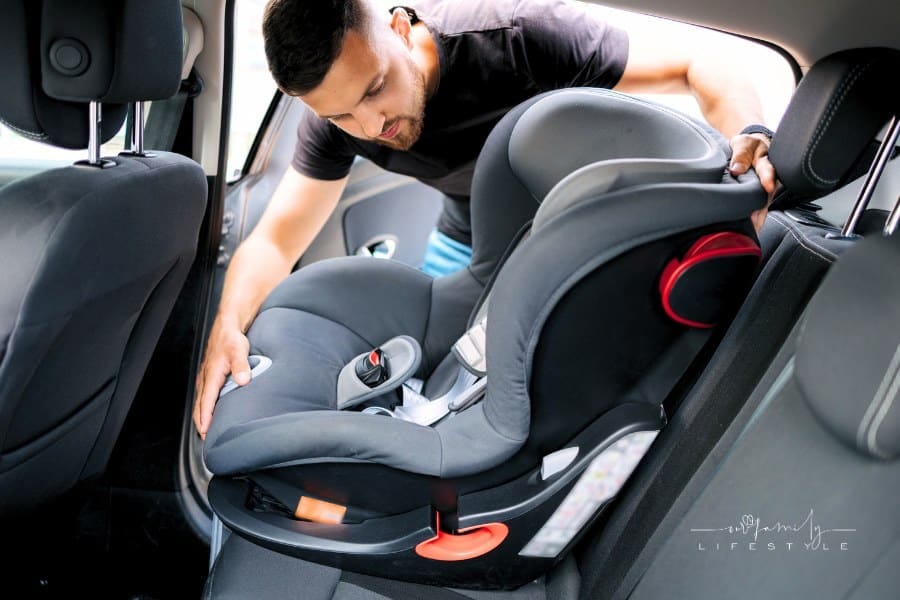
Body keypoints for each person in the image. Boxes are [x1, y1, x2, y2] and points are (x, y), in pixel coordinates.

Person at [193, 0, 779, 439]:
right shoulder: (335, 122)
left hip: (576, 223)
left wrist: (749, 135)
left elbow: (701, 63)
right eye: (342, 113)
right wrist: (228, 326)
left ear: (399, 27)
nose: (371, 125)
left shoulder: (518, 35)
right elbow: (276, 238)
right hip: (471, 233)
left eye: (376, 89)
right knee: (437, 379)